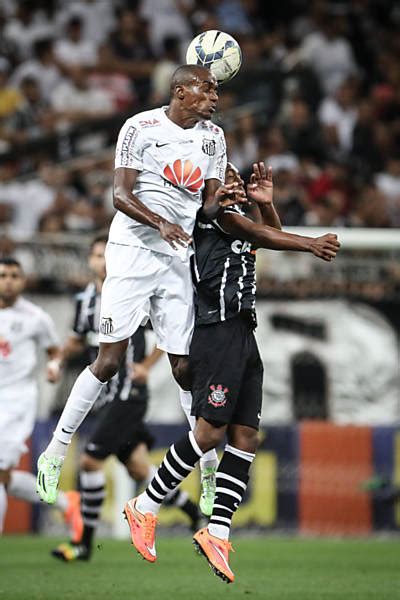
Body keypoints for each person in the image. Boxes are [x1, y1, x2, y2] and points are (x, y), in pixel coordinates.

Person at [123, 162, 340, 583]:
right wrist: (310, 242)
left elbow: (263, 236)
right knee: (208, 433)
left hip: (243, 332)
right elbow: (260, 234)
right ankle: (144, 506)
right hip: (216, 332)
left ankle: (217, 531)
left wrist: (268, 206)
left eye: (239, 179)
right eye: (229, 179)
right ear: (211, 188)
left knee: (245, 436)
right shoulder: (215, 217)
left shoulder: (239, 221)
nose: (236, 185)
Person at [36, 64, 231, 507]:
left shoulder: (214, 138)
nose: (214, 98)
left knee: (184, 367)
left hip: (177, 256)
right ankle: (55, 451)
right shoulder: (139, 127)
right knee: (108, 362)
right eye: (207, 89)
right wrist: (161, 222)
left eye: (217, 90)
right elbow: (120, 196)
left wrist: (225, 200)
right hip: (131, 253)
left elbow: (207, 210)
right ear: (181, 91)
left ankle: (208, 468)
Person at [51, 235, 205, 561]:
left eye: (104, 254)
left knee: (90, 461)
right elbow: (78, 339)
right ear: (91, 261)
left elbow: (168, 332)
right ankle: (192, 511)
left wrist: (147, 366)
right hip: (105, 396)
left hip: (128, 393)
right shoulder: (87, 300)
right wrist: (58, 359)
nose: (101, 261)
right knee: (138, 467)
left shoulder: (135, 289)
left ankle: (83, 544)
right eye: (95, 256)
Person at [0, 257, 81, 540]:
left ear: (22, 281)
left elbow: (54, 351)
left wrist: (54, 366)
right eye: (3, 275)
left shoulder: (35, 317)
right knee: (4, 478)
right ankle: (64, 502)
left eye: (14, 275)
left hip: (15, 400)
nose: (8, 280)